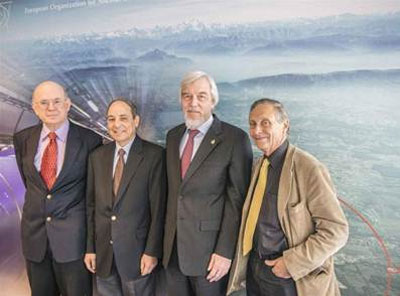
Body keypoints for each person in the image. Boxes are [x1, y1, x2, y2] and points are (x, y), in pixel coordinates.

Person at [227, 98, 349, 296]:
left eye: (265, 123)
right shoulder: (259, 166)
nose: (257, 131)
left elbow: (336, 231)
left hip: (290, 277)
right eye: (252, 124)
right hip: (255, 271)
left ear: (285, 126)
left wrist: (291, 263)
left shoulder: (309, 168)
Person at [162, 71, 253, 296]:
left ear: (213, 100)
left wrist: (225, 252)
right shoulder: (173, 136)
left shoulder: (234, 139)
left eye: (201, 96)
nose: (193, 103)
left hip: (210, 256)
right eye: (187, 96)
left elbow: (237, 201)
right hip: (171, 251)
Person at [13, 81, 102, 296]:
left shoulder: (90, 140)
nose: (50, 108)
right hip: (35, 242)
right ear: (34, 107)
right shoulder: (22, 139)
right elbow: (32, 184)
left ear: (68, 104)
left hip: (74, 243)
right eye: (44, 103)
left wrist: (92, 244)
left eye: (56, 101)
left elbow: (93, 196)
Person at [84, 98, 166, 296]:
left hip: (137, 255)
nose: (116, 124)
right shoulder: (97, 157)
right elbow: (91, 206)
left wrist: (152, 251)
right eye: (111, 119)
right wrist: (90, 248)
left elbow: (159, 209)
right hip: (104, 254)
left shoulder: (154, 156)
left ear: (136, 120)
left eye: (123, 118)